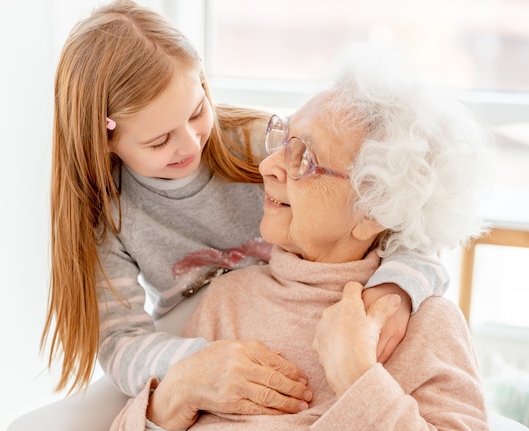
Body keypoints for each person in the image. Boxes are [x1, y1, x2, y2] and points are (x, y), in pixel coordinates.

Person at [42, 0, 452, 417]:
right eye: (159, 141)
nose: (189, 144)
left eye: (197, 112)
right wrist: (199, 363)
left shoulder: (269, 147)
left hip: (300, 320)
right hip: (208, 340)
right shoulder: (110, 219)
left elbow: (401, 213)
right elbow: (120, 343)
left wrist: (397, 290)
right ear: (105, 140)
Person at [109, 43, 492, 431]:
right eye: (282, 140)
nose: (266, 165)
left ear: (373, 209)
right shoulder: (227, 301)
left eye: (304, 158)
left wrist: (359, 379)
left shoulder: (426, 324)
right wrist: (177, 394)